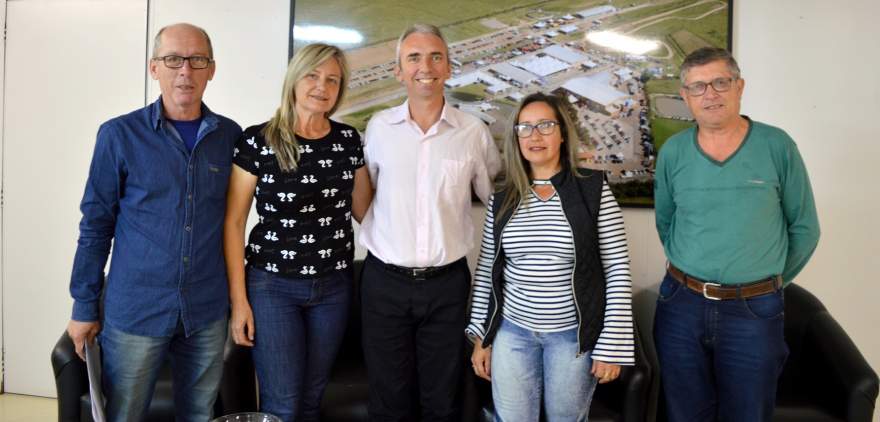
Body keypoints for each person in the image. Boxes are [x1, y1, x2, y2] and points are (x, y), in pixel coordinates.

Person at [67, 23, 241, 420]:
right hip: (137, 309)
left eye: (197, 60)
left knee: (199, 413)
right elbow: (95, 224)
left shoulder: (230, 137)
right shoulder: (118, 135)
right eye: (173, 59)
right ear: (154, 68)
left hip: (206, 311)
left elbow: (235, 221)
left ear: (211, 69)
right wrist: (83, 305)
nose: (185, 71)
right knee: (125, 414)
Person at [653, 47, 820, 422]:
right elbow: (666, 222)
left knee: (748, 414)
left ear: (739, 86)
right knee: (684, 413)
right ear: (685, 96)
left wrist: (767, 281)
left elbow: (805, 228)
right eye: (697, 87)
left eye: (719, 82)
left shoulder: (777, 146)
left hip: (754, 311)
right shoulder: (674, 152)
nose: (709, 94)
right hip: (681, 305)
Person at [358, 23, 502, 421]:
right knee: (389, 401)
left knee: (443, 400)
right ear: (399, 70)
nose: (426, 66)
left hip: (448, 287)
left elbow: (498, 203)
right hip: (384, 284)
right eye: (414, 58)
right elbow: (364, 198)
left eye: (436, 56)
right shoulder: (379, 128)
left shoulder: (472, 132)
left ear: (449, 67)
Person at [223, 43, 372, 422]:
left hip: (334, 287)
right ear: (294, 80)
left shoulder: (348, 141)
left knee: (312, 398)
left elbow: (365, 211)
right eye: (313, 75)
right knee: (283, 403)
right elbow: (234, 223)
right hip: (272, 287)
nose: (321, 86)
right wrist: (239, 302)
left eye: (332, 80)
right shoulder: (258, 140)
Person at [466, 92, 635, 421]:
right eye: (525, 128)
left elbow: (617, 269)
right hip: (512, 334)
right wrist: (481, 338)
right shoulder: (503, 197)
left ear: (562, 133)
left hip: (571, 339)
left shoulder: (593, 190)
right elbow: (488, 270)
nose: (535, 136)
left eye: (545, 125)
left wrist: (611, 346)